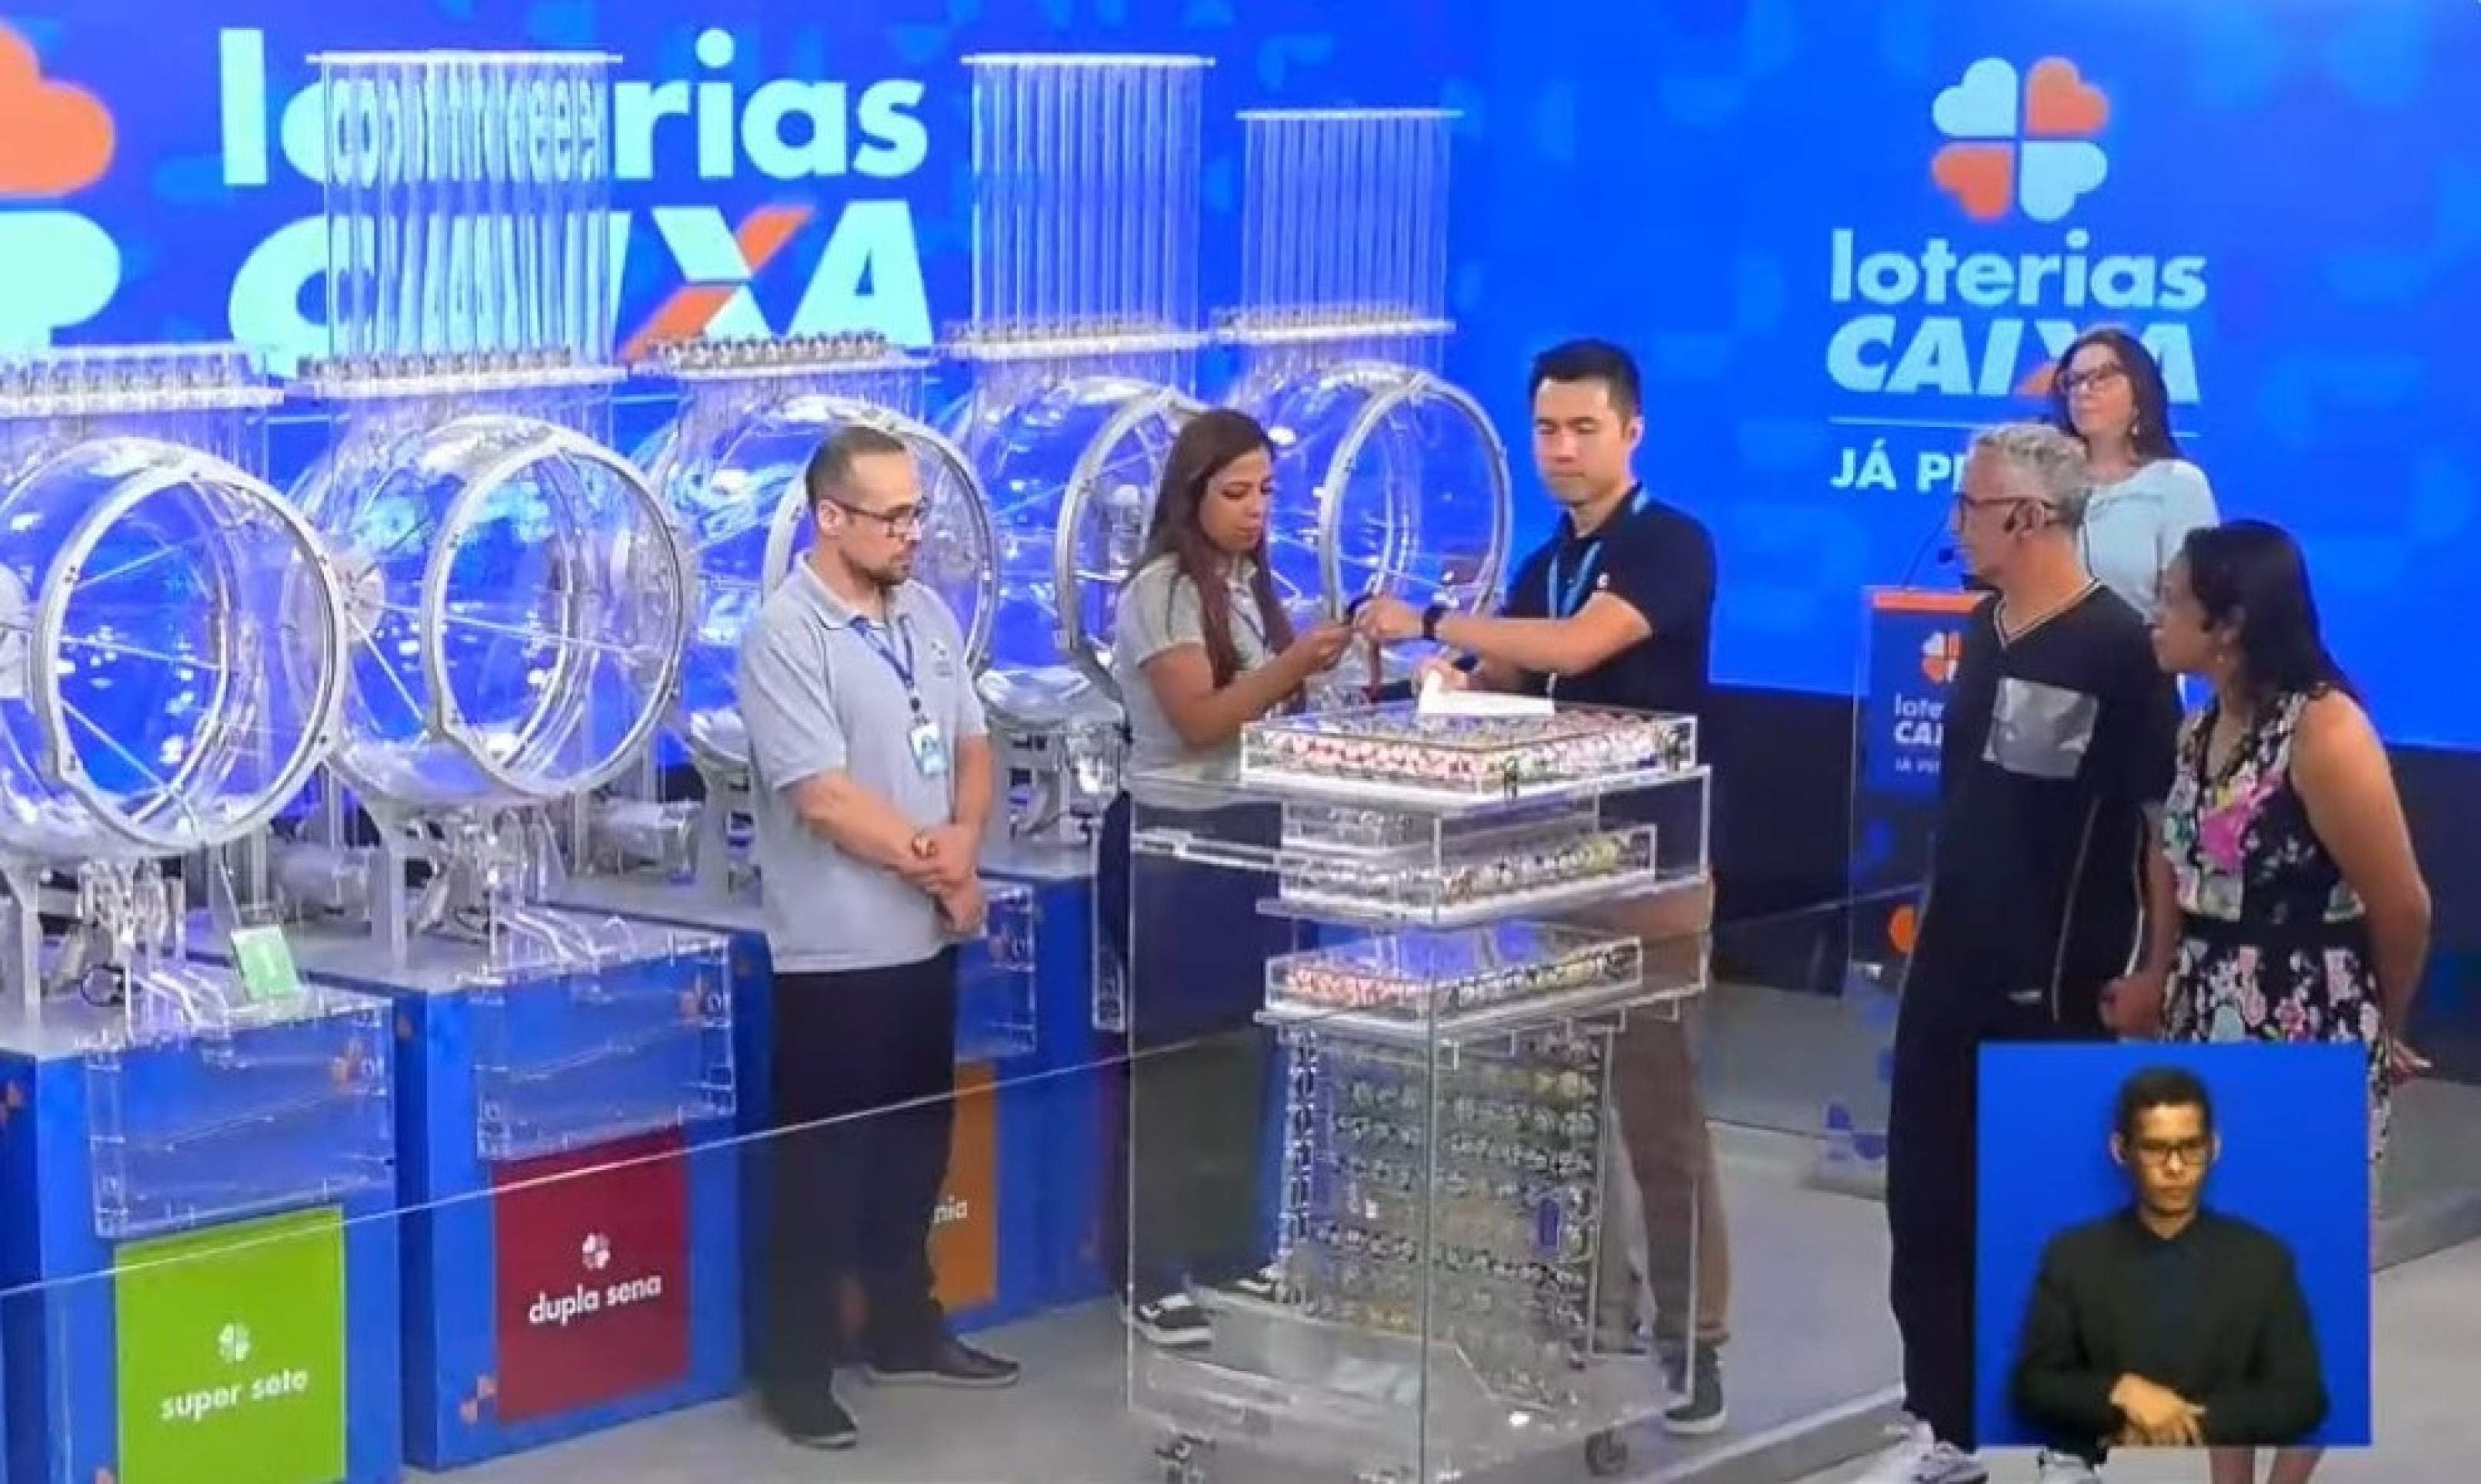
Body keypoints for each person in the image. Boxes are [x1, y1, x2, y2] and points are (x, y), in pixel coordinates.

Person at [1354, 338, 1731, 1437]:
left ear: (1631, 431)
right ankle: (1584, 1317)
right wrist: (1447, 682)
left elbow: (1577, 644)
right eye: (1547, 430)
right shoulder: (1542, 560)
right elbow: (1513, 668)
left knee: (1660, 1116)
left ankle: (1693, 1339)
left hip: (1651, 871)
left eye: (1583, 429)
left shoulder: (1670, 544)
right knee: (1556, 1115)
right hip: (1546, 866)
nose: (1561, 449)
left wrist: (1432, 622)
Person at [1864, 423, 2183, 1484]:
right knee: (1928, 1202)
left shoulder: (2122, 651)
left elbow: (2160, 827)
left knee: (2051, 1208)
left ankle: (2068, 1438)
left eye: (1969, 506)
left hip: (2054, 978)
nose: (1955, 523)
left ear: (2029, 517)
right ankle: (1944, 1426)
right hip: (1949, 964)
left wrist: (2154, 968)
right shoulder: (1984, 625)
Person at [2106, 519, 2432, 1484]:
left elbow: (2403, 905)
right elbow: (2170, 862)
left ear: (2231, 623)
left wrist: (2383, 1025)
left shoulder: (2325, 732)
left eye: (2172, 600)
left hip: (2310, 1023)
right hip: (2206, 1020)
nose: (2155, 615)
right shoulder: (2198, 729)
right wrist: (2158, 975)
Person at [738, 425, 1018, 1450]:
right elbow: (821, 796)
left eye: (916, 513)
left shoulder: (927, 614)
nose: (911, 533)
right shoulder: (785, 635)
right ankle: (798, 1372)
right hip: (836, 955)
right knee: (822, 1174)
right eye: (892, 516)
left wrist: (966, 839)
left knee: (913, 1155)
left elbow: (973, 743)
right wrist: (938, 864)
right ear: (831, 517)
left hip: (925, 943)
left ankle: (905, 1327)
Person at [1096, 408, 1352, 1349]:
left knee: (1243, 1057)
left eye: (1267, 492)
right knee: (1174, 1065)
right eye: (1236, 492)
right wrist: (1293, 664)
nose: (1256, 510)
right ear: (1191, 493)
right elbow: (1200, 721)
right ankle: (1149, 1267)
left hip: (1251, 837)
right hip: (1172, 845)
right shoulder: (1162, 591)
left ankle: (1224, 1248)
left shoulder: (1250, 586)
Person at [2011, 1066, 2328, 1459]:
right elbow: (2034, 1385)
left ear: (2214, 1148)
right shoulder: (2072, 1257)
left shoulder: (2264, 1260)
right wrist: (2121, 1393)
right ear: (2121, 1150)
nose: (2175, 1168)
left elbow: (2303, 1397)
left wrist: (2178, 1426)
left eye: (2191, 1148)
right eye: (2155, 1149)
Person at [2048, 326, 2219, 620]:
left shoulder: (2177, 484)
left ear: (2140, 393)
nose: (2084, 390)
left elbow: (2194, 601)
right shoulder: (2043, 484)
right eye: (2073, 380)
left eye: (2102, 376)